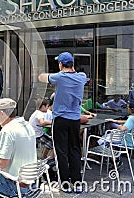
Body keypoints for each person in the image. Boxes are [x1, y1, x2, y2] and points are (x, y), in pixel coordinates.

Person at [38, 52, 87, 192]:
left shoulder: (58, 77)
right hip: (75, 121)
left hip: (60, 120)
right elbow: (75, 74)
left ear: (60, 64)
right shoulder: (81, 77)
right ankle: (77, 183)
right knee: (75, 150)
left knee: (61, 152)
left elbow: (41, 77)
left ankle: (65, 184)